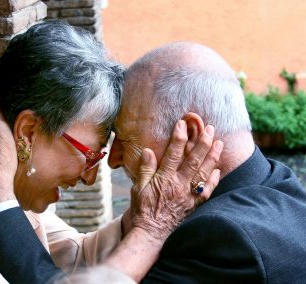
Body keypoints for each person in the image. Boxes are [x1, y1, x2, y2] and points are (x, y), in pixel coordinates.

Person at [0, 20, 222, 283]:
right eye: (90, 155)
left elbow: (78, 256)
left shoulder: (17, 183)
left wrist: (150, 210)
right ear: (29, 132)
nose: (90, 177)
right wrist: (152, 230)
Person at [107, 42, 306, 283]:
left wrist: (150, 230)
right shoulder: (279, 182)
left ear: (189, 134)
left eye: (125, 139)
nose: (113, 160)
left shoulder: (221, 238)